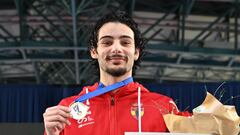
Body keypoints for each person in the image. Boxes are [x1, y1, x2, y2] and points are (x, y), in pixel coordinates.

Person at [43, 11, 181, 135]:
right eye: (107, 42)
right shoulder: (66, 111)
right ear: (94, 52)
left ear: (136, 52)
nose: (116, 48)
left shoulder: (164, 107)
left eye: (125, 42)